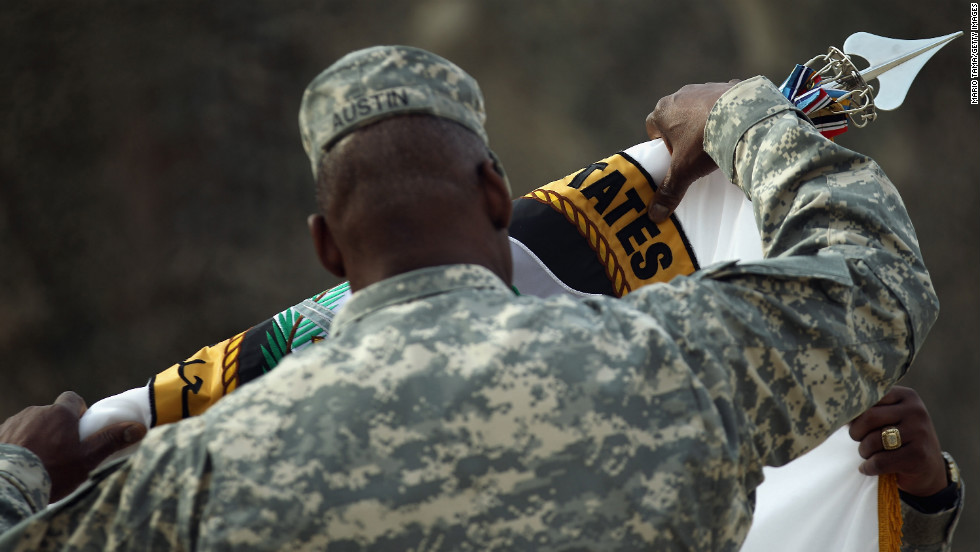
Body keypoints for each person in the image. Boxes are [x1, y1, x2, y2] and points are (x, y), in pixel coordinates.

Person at [0, 45, 939, 550]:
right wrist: (739, 114)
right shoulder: (671, 364)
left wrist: (20, 477)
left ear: (327, 248)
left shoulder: (199, 480)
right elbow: (878, 279)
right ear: (498, 196)